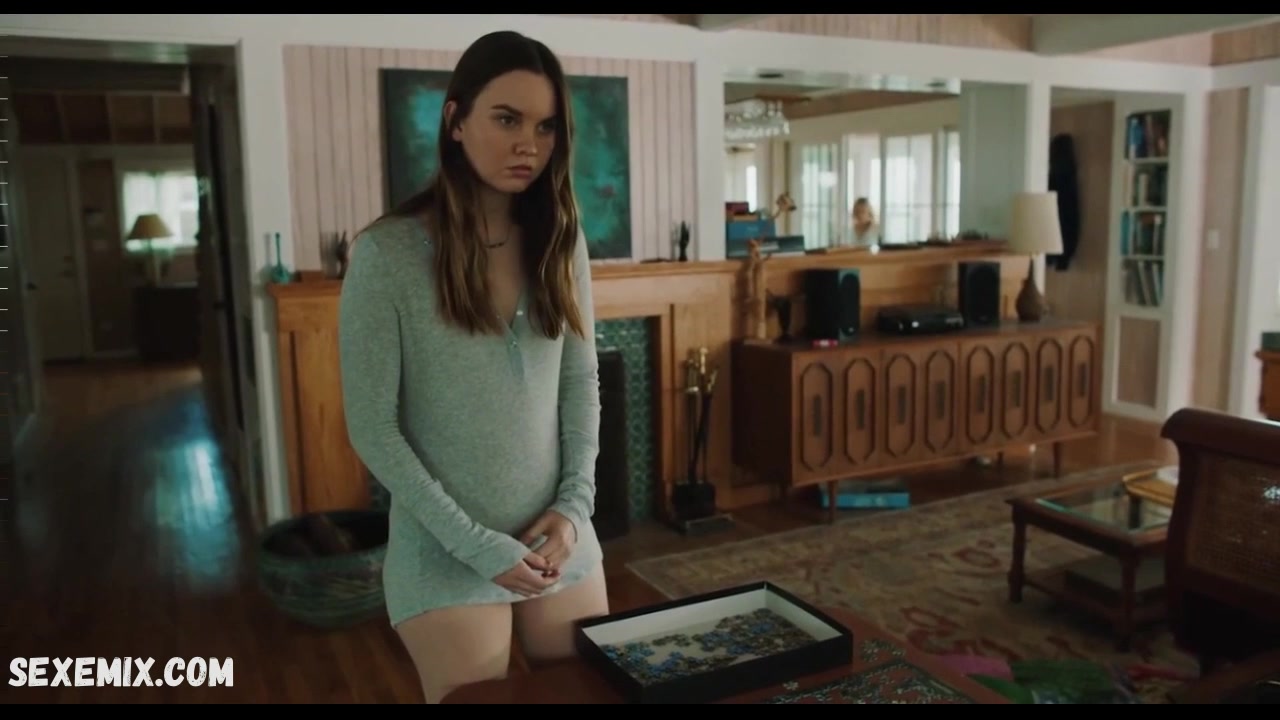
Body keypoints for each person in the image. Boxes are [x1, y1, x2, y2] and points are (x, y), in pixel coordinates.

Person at [337, 30, 608, 704]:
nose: (529, 145)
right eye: (507, 119)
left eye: (545, 126)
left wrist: (574, 508)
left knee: (596, 694)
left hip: (559, 540)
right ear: (455, 120)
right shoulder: (387, 255)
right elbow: (373, 427)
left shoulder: (562, 239)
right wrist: (478, 546)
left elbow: (579, 382)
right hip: (445, 552)